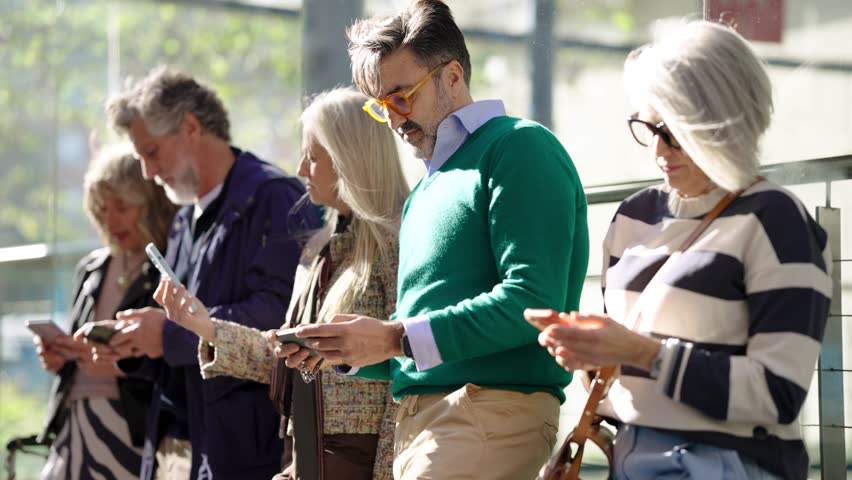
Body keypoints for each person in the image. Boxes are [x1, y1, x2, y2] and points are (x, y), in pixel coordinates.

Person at [288, 1, 590, 479]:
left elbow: (532, 302)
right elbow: (419, 344)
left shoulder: (520, 147)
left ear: (452, 76)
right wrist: (351, 350)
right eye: (380, 105)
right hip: (426, 424)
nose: (393, 119)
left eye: (401, 96)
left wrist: (393, 335)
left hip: (489, 411)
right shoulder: (425, 191)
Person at [534, 20, 832, 480]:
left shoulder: (777, 220)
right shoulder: (634, 216)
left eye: (673, 131)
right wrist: (591, 357)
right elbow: (629, 377)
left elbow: (779, 395)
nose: (657, 150)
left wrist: (641, 352)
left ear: (725, 123)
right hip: (631, 455)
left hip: (728, 464)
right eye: (648, 126)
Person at [153, 87, 409, 480]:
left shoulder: (395, 243)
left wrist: (387, 473)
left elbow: (407, 374)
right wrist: (205, 327)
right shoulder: (317, 252)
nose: (301, 169)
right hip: (309, 458)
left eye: (313, 156)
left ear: (347, 157)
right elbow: (285, 358)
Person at [95, 66, 321, 480]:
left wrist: (165, 335)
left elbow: (280, 320)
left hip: (242, 449)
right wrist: (136, 347)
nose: (147, 172)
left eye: (152, 153)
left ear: (191, 128)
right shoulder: (184, 221)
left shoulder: (273, 200)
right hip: (180, 445)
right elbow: (181, 337)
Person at [34, 143, 177, 480]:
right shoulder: (90, 268)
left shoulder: (168, 269)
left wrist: (118, 364)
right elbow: (79, 348)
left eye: (122, 207)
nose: (109, 219)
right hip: (74, 421)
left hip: (132, 429)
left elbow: (170, 355)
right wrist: (61, 357)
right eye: (100, 208)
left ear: (152, 203)